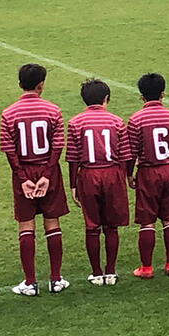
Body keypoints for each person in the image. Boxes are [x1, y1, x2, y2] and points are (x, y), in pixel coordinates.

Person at [0, 63, 70, 297]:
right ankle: (56, 278)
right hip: (48, 171)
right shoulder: (53, 111)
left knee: (26, 225)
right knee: (52, 223)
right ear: (42, 85)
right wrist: (48, 175)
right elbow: (58, 145)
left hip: (24, 171)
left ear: (19, 84)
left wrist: (22, 178)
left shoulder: (8, 113)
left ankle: (30, 282)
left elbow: (9, 150)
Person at [65, 79, 131, 286]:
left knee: (92, 227)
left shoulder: (75, 123)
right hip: (112, 173)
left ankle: (96, 272)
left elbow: (72, 157)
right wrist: (123, 177)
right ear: (106, 99)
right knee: (111, 226)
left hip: (88, 174)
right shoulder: (117, 121)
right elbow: (125, 155)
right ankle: (110, 271)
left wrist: (73, 184)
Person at [125, 73, 169, 279]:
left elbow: (131, 152)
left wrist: (129, 175)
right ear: (163, 94)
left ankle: (146, 268)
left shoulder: (135, 120)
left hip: (148, 172)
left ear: (141, 96)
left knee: (147, 222)